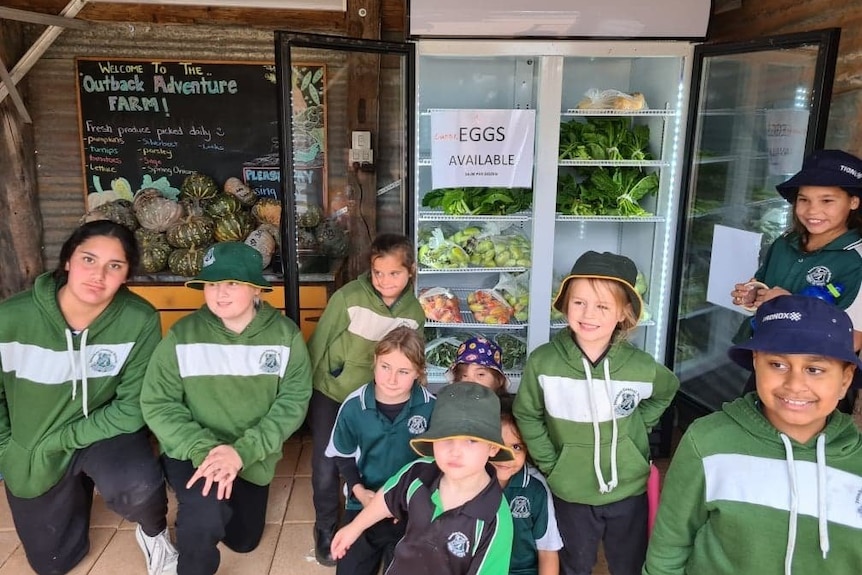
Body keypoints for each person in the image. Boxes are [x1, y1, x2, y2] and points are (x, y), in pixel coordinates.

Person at [0, 220, 177, 575]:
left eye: (115, 265)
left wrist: (68, 438)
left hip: (103, 430)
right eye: (89, 260)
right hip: (36, 440)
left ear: (127, 274)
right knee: (53, 564)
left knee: (139, 485)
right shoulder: (11, 317)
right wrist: (9, 445)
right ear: (68, 260)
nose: (99, 275)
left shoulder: (138, 318)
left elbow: (131, 407)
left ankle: (154, 533)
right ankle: (72, 489)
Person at [644, 295, 862, 574]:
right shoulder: (708, 442)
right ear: (756, 362)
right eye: (778, 365)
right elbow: (670, 546)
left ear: (845, 380)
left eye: (814, 369)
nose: (795, 384)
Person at [140, 241, 312, 575]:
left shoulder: (284, 336)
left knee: (244, 540)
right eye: (212, 283)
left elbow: (292, 403)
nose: (220, 293)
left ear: (255, 288)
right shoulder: (182, 334)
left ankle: (207, 500)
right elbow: (158, 403)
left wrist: (241, 453)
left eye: (231, 283)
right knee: (206, 513)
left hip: (251, 453)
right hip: (193, 450)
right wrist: (207, 450)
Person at [513, 251, 679, 575]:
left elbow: (666, 390)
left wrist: (635, 431)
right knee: (574, 564)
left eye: (603, 306)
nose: (589, 314)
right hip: (570, 489)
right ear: (565, 304)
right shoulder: (543, 362)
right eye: (579, 302)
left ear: (624, 313)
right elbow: (527, 413)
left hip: (629, 489)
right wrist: (551, 462)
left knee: (629, 564)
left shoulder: (640, 367)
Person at [306, 232, 425, 565]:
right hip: (333, 392)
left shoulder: (414, 313)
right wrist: (305, 396)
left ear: (410, 272)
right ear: (369, 270)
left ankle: (378, 514)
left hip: (378, 398)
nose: (385, 281)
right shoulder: (349, 297)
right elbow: (318, 344)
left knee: (378, 457)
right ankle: (326, 527)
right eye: (378, 272)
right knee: (326, 463)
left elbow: (411, 358)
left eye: (395, 273)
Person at [330, 381, 515, 574]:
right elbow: (386, 498)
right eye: (446, 438)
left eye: (471, 441)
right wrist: (354, 528)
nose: (455, 451)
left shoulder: (495, 520)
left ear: (493, 448)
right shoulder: (418, 472)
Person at [324, 325, 435, 575]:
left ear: (418, 372)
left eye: (403, 371)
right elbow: (343, 455)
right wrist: (359, 491)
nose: (392, 379)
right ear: (374, 362)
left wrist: (411, 503)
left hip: (411, 507)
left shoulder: (431, 408)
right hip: (364, 501)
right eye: (385, 367)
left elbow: (434, 464)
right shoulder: (354, 406)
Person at [731, 149, 862, 354]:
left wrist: (787, 304)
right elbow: (765, 289)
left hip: (811, 372)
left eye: (827, 200)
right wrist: (753, 295)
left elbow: (852, 341)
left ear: (853, 202)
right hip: (764, 351)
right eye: (804, 199)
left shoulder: (856, 261)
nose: (812, 211)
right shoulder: (784, 243)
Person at [494, 394, 563, 575]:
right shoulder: (469, 480)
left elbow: (548, 552)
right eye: (498, 445)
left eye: (517, 447)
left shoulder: (536, 488)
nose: (507, 456)